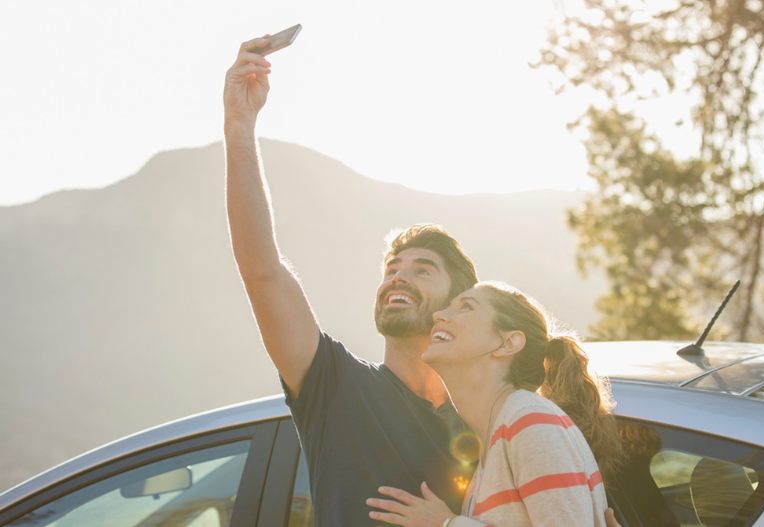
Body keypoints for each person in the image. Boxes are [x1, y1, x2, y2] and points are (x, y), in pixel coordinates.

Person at [223, 34, 626, 527]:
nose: (399, 277)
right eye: (391, 269)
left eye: (422, 270)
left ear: (456, 306)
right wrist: (239, 124)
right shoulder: (337, 387)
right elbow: (262, 272)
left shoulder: (496, 419)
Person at [367, 282, 626, 526]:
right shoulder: (501, 436)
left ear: (508, 343)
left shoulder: (529, 421)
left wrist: (447, 523)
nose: (438, 315)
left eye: (466, 306)